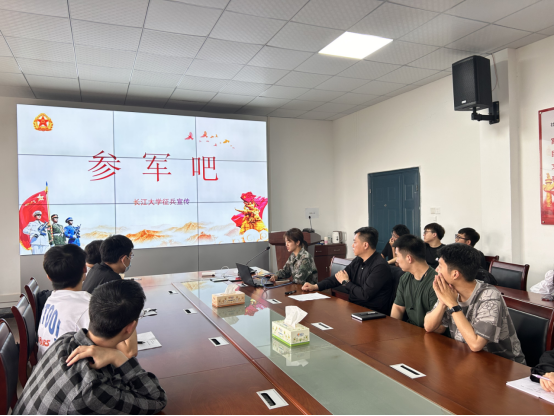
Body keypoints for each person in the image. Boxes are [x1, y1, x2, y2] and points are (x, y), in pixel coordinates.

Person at [12, 280, 167, 415]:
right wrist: (119, 357)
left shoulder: (66, 339)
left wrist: (114, 355)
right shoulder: (91, 391)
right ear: (130, 327)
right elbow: (156, 399)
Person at [424, 244, 525, 364]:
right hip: (469, 359)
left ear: (455, 274)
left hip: (503, 366)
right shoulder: (450, 291)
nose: (436, 270)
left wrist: (452, 304)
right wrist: (442, 303)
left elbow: (476, 344)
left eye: (440, 266)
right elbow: (429, 327)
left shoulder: (490, 296)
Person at [302, 227, 393, 315]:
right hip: (354, 308)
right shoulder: (358, 260)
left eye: (355, 242)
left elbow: (364, 295)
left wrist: (345, 282)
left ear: (365, 245)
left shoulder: (380, 266)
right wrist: (316, 286)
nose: (352, 245)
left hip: (371, 314)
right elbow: (338, 277)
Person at [37, 245, 90, 360]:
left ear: (49, 277)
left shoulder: (51, 299)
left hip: (45, 365)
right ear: (84, 269)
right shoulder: (88, 306)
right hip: (67, 368)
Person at [390, 235, 438, 328]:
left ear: (409, 258)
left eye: (398, 256)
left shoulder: (435, 283)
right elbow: (398, 307)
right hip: (410, 330)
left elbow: (438, 327)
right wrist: (393, 329)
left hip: (429, 332)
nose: (397, 260)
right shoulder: (404, 278)